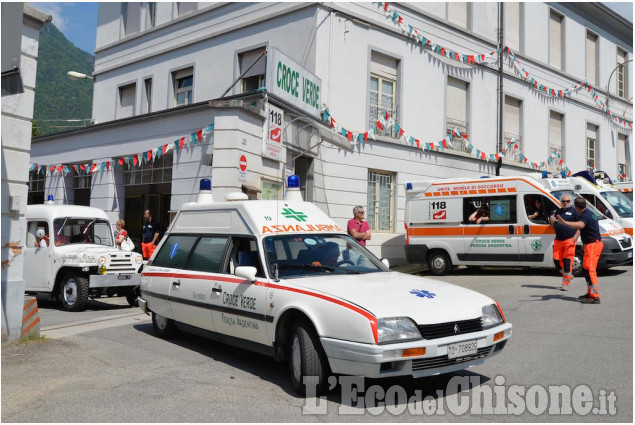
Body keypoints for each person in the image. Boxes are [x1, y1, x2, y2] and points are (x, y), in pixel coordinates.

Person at [556, 197, 603, 304]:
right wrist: (585, 243)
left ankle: (595, 296)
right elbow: (591, 229)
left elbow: (580, 225)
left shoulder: (585, 215)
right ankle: (590, 293)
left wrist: (565, 223)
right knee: (587, 269)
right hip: (591, 244)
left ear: (576, 207)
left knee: (590, 270)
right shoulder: (590, 213)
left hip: (593, 245)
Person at [549, 195, 580, 291]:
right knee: (557, 261)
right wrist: (552, 222)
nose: (565, 202)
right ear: (561, 202)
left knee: (567, 262)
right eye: (563, 201)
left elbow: (580, 226)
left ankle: (565, 283)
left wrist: (575, 238)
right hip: (558, 240)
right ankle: (568, 275)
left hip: (569, 240)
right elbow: (555, 225)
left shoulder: (574, 212)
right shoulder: (558, 211)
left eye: (567, 201)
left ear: (570, 201)